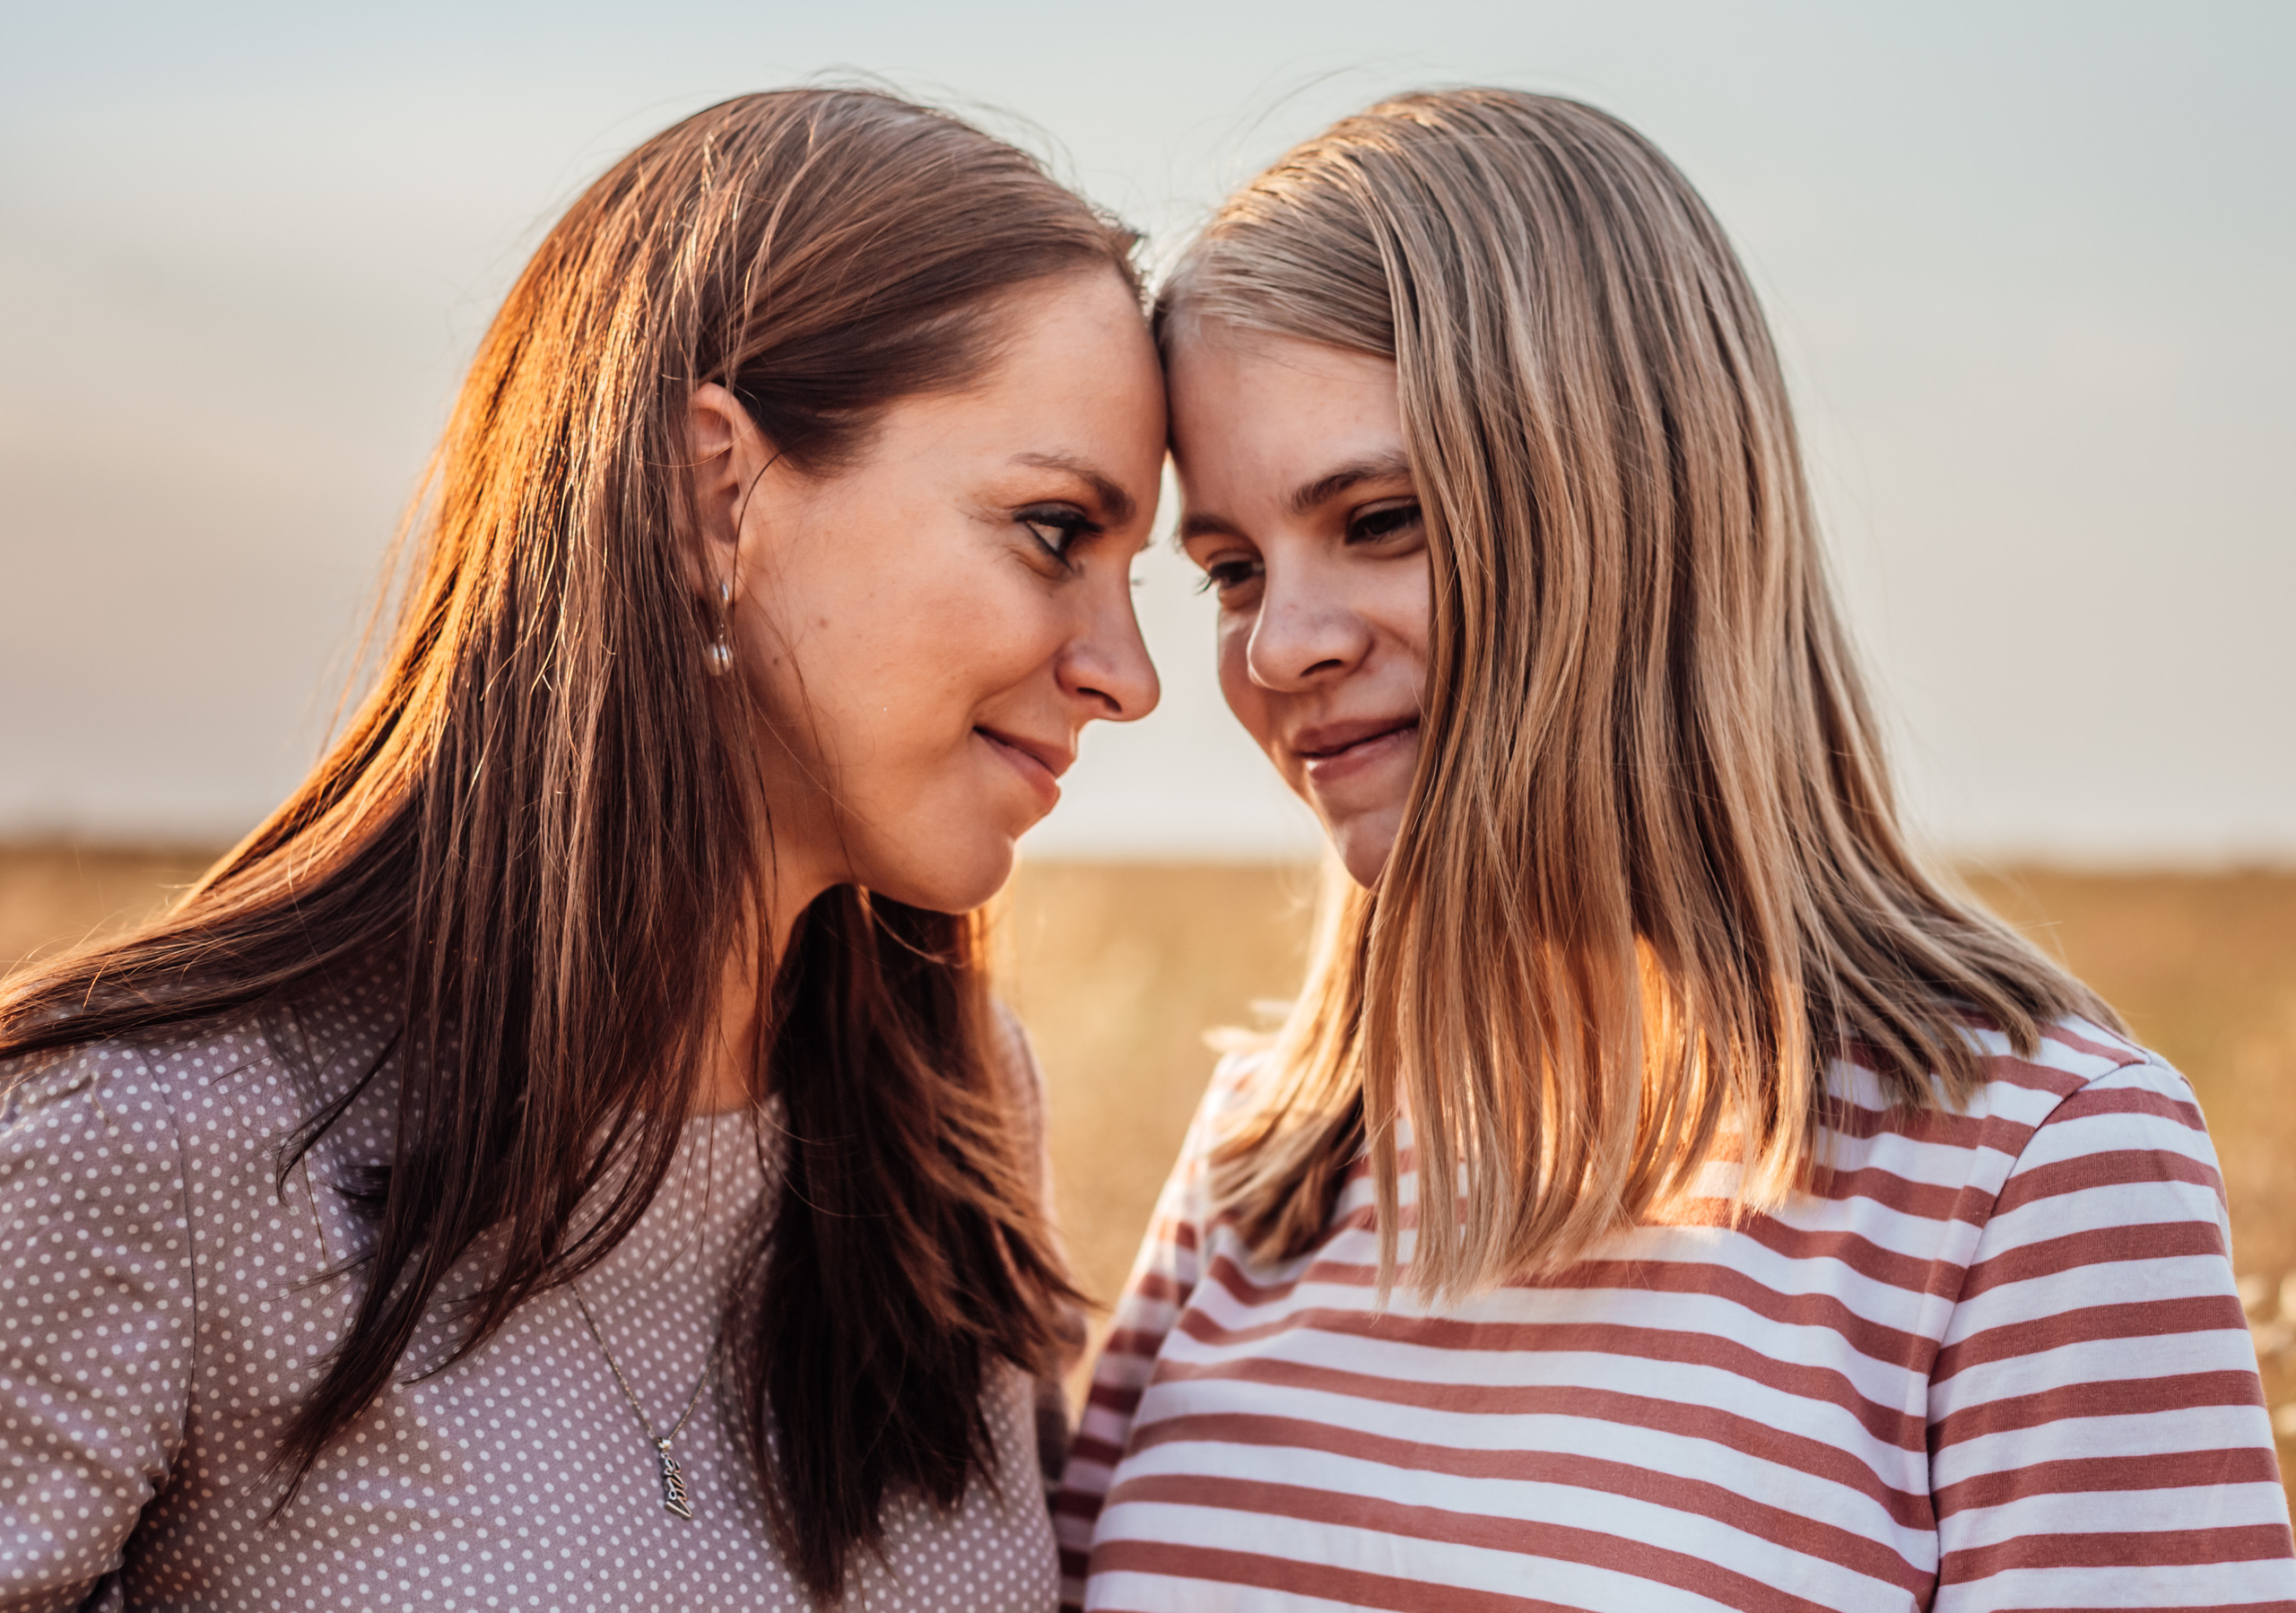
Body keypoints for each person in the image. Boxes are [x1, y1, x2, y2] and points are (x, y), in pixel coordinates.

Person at [1058, 89, 2296, 1610]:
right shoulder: (1265, 1160)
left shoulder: (2034, 1177)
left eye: (1381, 518)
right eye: (1235, 570)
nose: (1279, 650)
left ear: (1625, 515)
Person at [0, 87, 1163, 1612]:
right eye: (1056, 531)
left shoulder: (953, 1113)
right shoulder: (142, 1146)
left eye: (1145, 572)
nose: (1129, 673)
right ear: (715, 493)